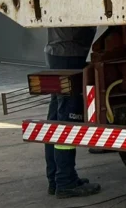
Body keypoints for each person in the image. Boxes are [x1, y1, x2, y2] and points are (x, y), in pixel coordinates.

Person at [45, 26, 101, 199]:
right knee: (66, 121)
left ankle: (55, 180)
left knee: (55, 118)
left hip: (59, 52)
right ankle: (65, 181)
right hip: (69, 53)